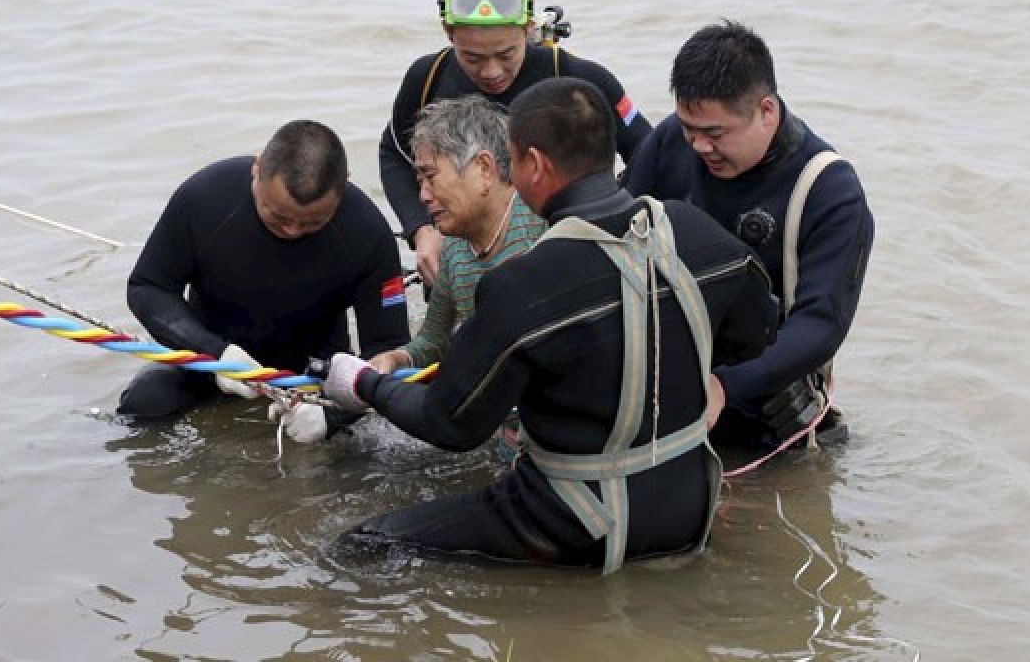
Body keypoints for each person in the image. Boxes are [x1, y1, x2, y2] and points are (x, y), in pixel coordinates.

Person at [320, 77, 777, 573]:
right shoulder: (695, 231)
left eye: (513, 161)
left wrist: (364, 383)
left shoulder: (523, 282)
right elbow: (758, 333)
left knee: (365, 544)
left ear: (533, 165)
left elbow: (448, 423)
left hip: (577, 522)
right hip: (689, 508)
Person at [623, 20, 874, 450]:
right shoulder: (670, 141)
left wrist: (724, 386)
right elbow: (617, 229)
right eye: (690, 128)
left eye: (715, 134)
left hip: (765, 408)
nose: (699, 146)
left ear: (766, 112)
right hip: (667, 383)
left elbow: (820, 324)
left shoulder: (830, 191)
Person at [119, 120, 410, 441]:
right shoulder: (204, 199)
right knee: (145, 402)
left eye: (313, 222)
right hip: (211, 360)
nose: (292, 231)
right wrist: (215, 354)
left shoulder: (368, 232)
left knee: (357, 442)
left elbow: (387, 351)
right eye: (279, 216)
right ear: (257, 170)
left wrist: (333, 414)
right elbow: (148, 287)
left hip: (313, 374)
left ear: (343, 190)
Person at [379, 0, 653, 288]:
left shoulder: (580, 79)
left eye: (506, 54)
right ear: (448, 33)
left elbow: (651, 153)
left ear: (528, 29)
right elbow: (394, 154)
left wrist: (610, 224)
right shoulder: (427, 78)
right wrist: (421, 229)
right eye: (472, 58)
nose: (492, 72)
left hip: (564, 260)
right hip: (461, 264)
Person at [369, 95, 546, 375]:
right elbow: (434, 342)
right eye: (418, 181)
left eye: (431, 176)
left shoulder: (544, 223)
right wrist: (394, 359)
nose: (423, 196)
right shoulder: (453, 248)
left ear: (484, 169)